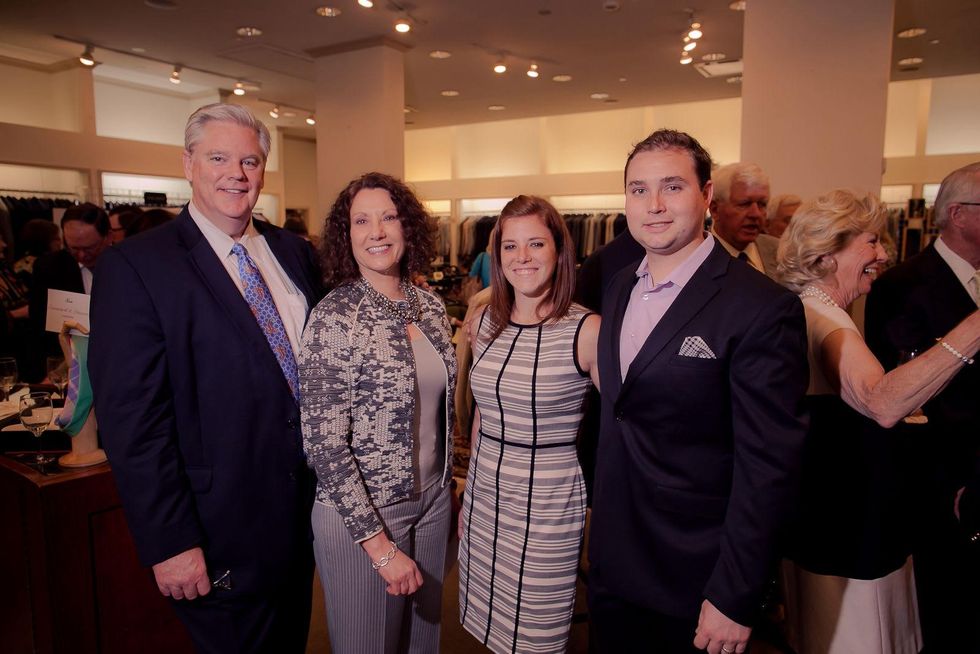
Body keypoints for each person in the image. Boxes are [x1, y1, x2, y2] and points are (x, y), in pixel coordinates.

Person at [88, 103, 323, 653]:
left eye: (249, 160)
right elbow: (132, 421)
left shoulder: (293, 252)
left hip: (300, 523)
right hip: (215, 533)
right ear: (188, 164)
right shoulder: (138, 267)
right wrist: (170, 541)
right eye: (218, 157)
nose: (235, 174)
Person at [588, 129, 809, 654]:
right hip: (615, 560)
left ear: (707, 195)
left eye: (672, 187)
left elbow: (769, 466)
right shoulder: (619, 284)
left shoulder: (760, 307)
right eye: (638, 190)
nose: (654, 205)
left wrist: (735, 593)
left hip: (695, 573)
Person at [777, 188, 980, 654]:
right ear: (827, 254)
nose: (884, 254)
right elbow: (882, 403)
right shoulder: (821, 317)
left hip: (846, 522)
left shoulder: (822, 312)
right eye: (871, 242)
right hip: (845, 531)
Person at [299, 171, 457, 654]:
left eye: (388, 217)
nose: (377, 232)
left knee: (422, 642)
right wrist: (379, 546)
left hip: (432, 501)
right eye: (361, 221)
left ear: (407, 226)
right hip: (363, 515)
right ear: (346, 236)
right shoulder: (335, 317)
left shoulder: (428, 305)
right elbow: (324, 446)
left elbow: (440, 411)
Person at [457, 195, 600, 653]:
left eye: (536, 244)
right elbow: (481, 412)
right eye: (510, 247)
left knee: (537, 632)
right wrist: (467, 498)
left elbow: (625, 428)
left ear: (560, 251)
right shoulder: (482, 321)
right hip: (485, 492)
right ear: (495, 256)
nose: (523, 258)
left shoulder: (587, 330)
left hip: (549, 502)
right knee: (489, 625)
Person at [864, 162, 980, 653]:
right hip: (941, 483)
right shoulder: (903, 285)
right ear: (958, 214)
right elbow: (905, 396)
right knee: (949, 615)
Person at [27, 203, 109, 381]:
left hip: (114, 365)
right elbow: (38, 326)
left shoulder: (124, 266)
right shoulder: (49, 268)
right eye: (73, 248)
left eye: (89, 248)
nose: (81, 255)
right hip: (67, 370)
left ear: (107, 237)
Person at [709, 162, 780, 279]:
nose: (755, 214)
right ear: (715, 209)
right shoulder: (695, 255)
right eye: (744, 204)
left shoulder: (779, 252)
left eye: (762, 204)